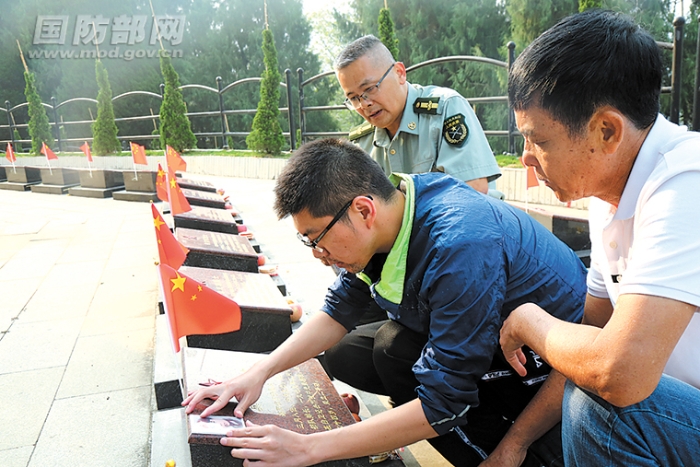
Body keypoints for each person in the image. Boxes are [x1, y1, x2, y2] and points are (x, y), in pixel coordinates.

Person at [183, 138, 589, 466]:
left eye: (317, 239)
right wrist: (257, 373)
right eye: (307, 242)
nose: (318, 255)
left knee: (411, 368)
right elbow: (339, 309)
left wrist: (307, 448)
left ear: (363, 209)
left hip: (554, 370)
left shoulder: (458, 247)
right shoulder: (398, 210)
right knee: (368, 352)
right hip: (495, 338)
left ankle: (508, 452)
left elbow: (442, 402)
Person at [497, 9, 700, 466]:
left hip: (668, 413)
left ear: (606, 130)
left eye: (538, 140)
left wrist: (529, 320)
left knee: (602, 409)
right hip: (674, 416)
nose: (526, 158)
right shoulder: (608, 197)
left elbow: (618, 374)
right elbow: (591, 342)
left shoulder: (687, 181)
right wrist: (514, 445)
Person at [335, 35, 501, 196]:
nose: (364, 104)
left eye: (370, 89)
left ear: (400, 73)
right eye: (353, 98)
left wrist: (400, 203)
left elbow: (471, 191)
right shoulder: (362, 143)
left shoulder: (445, 108)